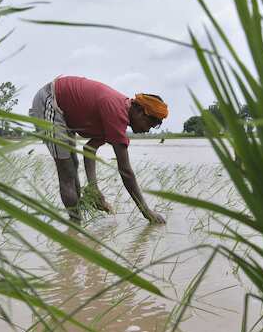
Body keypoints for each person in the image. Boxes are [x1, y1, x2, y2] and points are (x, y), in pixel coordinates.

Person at [29, 75, 168, 224]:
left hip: (64, 111)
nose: (147, 130)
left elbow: (89, 150)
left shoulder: (116, 116)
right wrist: (147, 212)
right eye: (149, 124)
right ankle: (75, 226)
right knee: (67, 172)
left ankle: (75, 228)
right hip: (50, 100)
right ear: (140, 112)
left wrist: (93, 187)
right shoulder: (116, 111)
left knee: (73, 165)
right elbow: (126, 171)